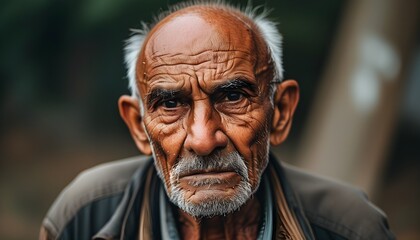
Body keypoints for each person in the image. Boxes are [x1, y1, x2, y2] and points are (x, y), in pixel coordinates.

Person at [40, 1, 395, 239]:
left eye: (233, 97)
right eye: (170, 104)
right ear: (138, 125)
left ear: (280, 112)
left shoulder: (350, 227)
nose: (203, 139)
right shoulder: (85, 217)